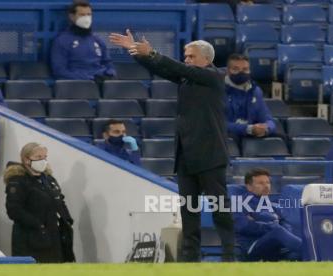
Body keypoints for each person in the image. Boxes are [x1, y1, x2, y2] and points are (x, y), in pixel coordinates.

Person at [110, 31, 234, 261]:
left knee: (220, 209)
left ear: (206, 60)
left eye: (191, 56)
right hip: (186, 156)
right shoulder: (188, 78)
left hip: (211, 155)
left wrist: (154, 52)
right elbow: (165, 69)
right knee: (189, 211)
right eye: (185, 56)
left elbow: (178, 68)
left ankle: (229, 256)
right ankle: (189, 259)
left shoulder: (214, 77)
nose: (186, 60)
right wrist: (136, 51)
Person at [4, 142, 75, 263]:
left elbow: (59, 200)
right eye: (38, 157)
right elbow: (14, 210)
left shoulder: (48, 179)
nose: (43, 160)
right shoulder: (18, 181)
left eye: (44, 157)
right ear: (26, 159)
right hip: (30, 239)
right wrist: (39, 225)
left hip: (54, 237)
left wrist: (67, 220)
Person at [234, 168, 302, 261]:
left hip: (275, 248)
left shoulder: (274, 206)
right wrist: (271, 226)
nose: (266, 186)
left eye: (268, 183)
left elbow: (286, 226)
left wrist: (264, 224)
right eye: (261, 183)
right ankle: (314, 254)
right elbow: (243, 226)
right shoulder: (239, 204)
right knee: (278, 231)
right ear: (249, 187)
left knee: (295, 256)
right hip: (252, 246)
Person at [51, 1, 116, 81]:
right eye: (82, 15)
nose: (86, 18)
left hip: (101, 82)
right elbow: (59, 71)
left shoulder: (97, 40)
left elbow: (108, 62)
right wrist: (89, 79)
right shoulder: (62, 41)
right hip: (79, 86)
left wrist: (110, 73)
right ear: (72, 16)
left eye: (89, 15)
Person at [225, 54, 276, 142]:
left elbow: (268, 119)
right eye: (236, 69)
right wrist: (248, 129)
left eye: (245, 69)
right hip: (227, 138)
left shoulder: (255, 91)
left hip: (251, 136)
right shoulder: (217, 91)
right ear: (228, 71)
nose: (241, 73)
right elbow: (218, 124)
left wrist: (266, 128)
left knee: (280, 138)